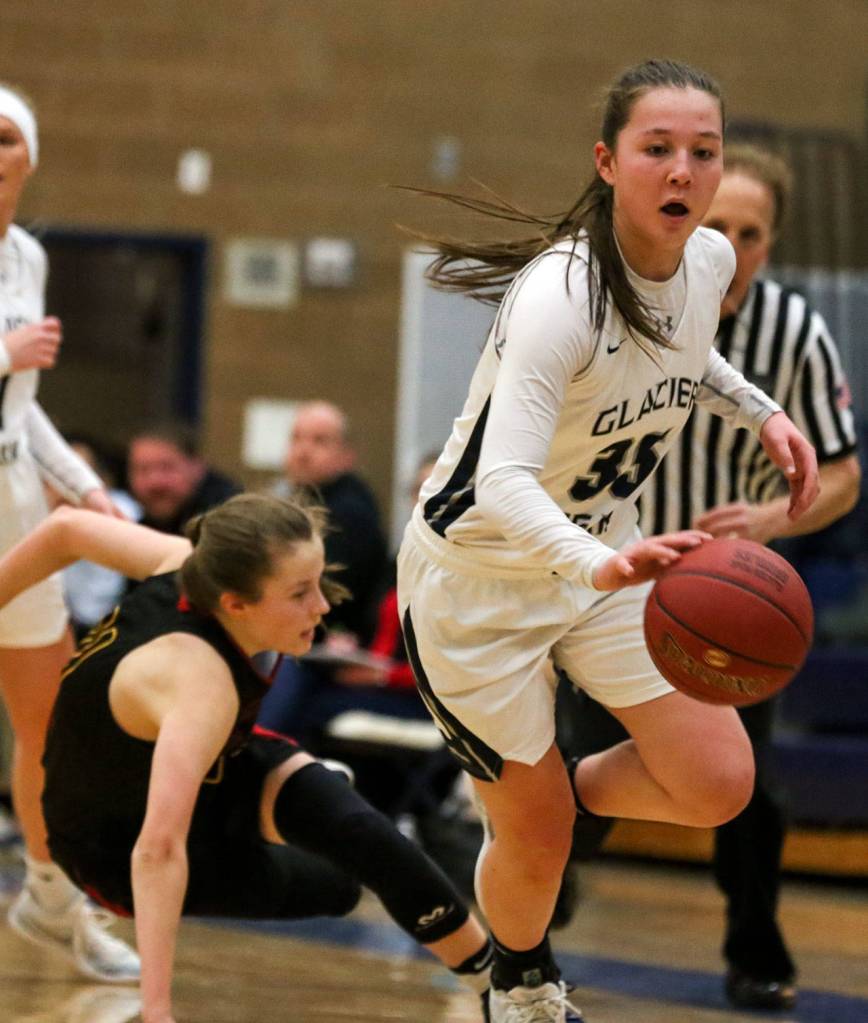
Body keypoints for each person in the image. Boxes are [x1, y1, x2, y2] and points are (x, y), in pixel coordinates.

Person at [395, 59, 819, 1023]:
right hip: (479, 584)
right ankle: (519, 984)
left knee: (718, 782)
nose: (682, 171)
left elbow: (685, 351)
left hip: (604, 555)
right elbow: (501, 481)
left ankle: (542, 802)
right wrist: (596, 561)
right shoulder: (560, 295)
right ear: (608, 161)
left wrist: (759, 411)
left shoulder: (705, 263)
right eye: (657, 149)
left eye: (701, 152)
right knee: (536, 836)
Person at [0, 494, 494, 1023]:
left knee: (367, 837)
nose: (322, 607)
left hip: (203, 762)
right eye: (301, 593)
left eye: (318, 582)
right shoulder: (198, 687)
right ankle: (296, 819)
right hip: (113, 849)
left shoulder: (192, 566)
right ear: (236, 604)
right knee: (341, 884)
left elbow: (70, 528)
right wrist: (156, 1009)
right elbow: (157, 852)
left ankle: (505, 985)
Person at [562, 142, 860, 1010]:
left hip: (726, 600)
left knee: (744, 789)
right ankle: (536, 907)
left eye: (751, 231)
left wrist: (772, 519)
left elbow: (841, 471)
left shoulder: (794, 332)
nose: (729, 242)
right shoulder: (614, 308)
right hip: (610, 581)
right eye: (716, 220)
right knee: (587, 764)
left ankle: (755, 947)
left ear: (770, 244)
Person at [0, 82, 139, 981]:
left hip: (13, 507)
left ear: (31, 158)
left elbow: (25, 406)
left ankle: (51, 900)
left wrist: (88, 490)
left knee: (46, 722)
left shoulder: (24, 257)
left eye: (7, 138)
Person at [275, 400, 388, 642]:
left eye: (319, 441)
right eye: (296, 438)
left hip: (335, 644)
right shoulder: (293, 498)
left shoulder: (351, 512)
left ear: (347, 455)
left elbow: (334, 594)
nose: (303, 452)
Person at [127, 422, 241, 536]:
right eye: (143, 470)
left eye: (166, 468)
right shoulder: (142, 525)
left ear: (197, 466)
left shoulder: (230, 520)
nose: (155, 482)